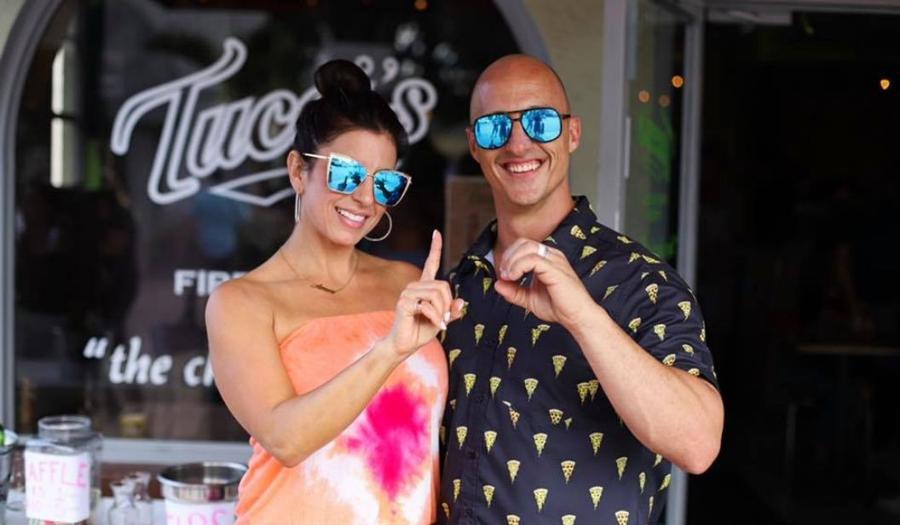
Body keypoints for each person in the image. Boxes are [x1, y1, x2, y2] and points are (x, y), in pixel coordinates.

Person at [439, 55, 724, 525]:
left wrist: (583, 317)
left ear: (572, 134)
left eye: (540, 122)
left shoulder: (641, 282)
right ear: (474, 145)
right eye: (495, 127)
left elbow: (698, 445)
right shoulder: (458, 286)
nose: (517, 143)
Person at [206, 60, 463, 525]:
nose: (365, 198)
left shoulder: (405, 284)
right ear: (298, 170)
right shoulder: (241, 303)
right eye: (346, 174)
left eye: (384, 182)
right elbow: (286, 439)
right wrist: (390, 349)